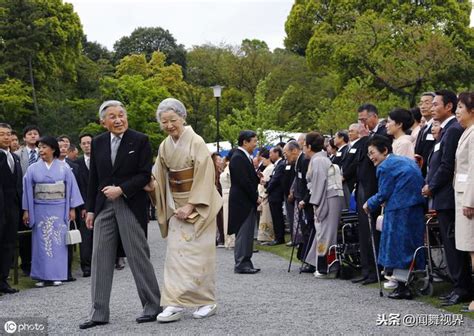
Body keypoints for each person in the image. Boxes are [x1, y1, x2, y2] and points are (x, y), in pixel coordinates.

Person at [80, 100, 162, 329]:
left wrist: (122, 189)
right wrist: (91, 209)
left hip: (130, 204)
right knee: (100, 258)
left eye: (121, 115)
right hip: (104, 206)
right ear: (103, 122)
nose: (118, 120)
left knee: (138, 256)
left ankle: (152, 306)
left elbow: (145, 175)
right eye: (112, 116)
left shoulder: (140, 140)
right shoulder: (97, 143)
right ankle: (98, 312)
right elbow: (94, 179)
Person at [153, 98, 222, 322]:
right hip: (175, 205)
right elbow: (160, 178)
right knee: (175, 256)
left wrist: (192, 205)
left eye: (173, 120)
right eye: (165, 122)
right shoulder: (164, 146)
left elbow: (205, 176)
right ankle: (173, 302)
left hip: (199, 205)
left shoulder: (197, 141)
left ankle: (206, 301)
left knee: (199, 256)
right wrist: (151, 187)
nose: (169, 125)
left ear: (183, 118)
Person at [422, 90, 471, 306]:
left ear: (448, 106)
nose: (431, 108)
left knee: (455, 245)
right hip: (446, 196)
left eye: (435, 104)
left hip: (450, 196)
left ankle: (461, 287)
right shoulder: (447, 130)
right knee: (453, 244)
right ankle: (458, 285)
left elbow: (448, 165)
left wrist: (431, 186)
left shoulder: (453, 130)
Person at [363, 135, 425, 299]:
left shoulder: (385, 166)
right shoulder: (404, 161)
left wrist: (369, 203)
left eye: (372, 152)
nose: (371, 157)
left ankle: (403, 287)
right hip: (416, 206)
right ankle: (413, 279)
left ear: (384, 150)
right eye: (369, 154)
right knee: (412, 243)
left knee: (398, 246)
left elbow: (384, 193)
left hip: (399, 208)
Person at [22, 136, 83, 288]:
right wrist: (26, 210)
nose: (41, 150)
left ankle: (58, 275)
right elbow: (27, 190)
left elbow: (71, 188)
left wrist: (72, 208)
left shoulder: (64, 168)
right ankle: (41, 276)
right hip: (39, 208)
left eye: (44, 147)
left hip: (59, 207)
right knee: (41, 243)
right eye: (39, 147)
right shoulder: (32, 168)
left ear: (53, 149)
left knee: (57, 242)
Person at [353, 103, 387, 285]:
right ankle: (366, 269)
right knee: (363, 231)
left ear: (374, 116)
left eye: (364, 119)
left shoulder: (381, 132)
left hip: (373, 186)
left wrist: (366, 139)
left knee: (373, 230)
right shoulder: (365, 138)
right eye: (359, 120)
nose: (361, 123)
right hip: (362, 185)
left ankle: (376, 270)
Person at [305, 132, 344, 278]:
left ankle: (327, 268)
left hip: (326, 198)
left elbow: (319, 184)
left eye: (304, 145)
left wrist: (317, 204)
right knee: (324, 233)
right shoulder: (320, 159)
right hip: (327, 197)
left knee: (326, 234)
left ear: (309, 146)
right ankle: (322, 265)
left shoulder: (319, 160)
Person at [228, 130, 260, 274]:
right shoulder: (238, 157)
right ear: (245, 142)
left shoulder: (243, 157)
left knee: (248, 233)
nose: (256, 144)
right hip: (242, 201)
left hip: (246, 200)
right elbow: (244, 182)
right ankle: (241, 263)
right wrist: (255, 197)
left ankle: (246, 260)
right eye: (254, 141)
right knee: (243, 232)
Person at [453, 92, 474, 312]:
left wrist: (470, 200)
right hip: (461, 194)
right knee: (469, 249)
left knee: (473, 248)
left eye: (461, 107)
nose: (458, 112)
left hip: (468, 198)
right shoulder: (466, 132)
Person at [15, 125, 41, 276]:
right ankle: (26, 264)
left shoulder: (45, 153)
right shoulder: (17, 154)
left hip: (42, 197)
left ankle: (40, 262)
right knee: (25, 232)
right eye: (29, 134)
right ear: (24, 138)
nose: (33, 136)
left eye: (35, 133)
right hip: (24, 197)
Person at [0, 123, 22, 294]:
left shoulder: (14, 157)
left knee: (8, 243)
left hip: (12, 207)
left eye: (8, 134)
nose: (6, 137)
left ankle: (3, 280)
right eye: (2, 134)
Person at [75, 133, 93, 277]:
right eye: (84, 143)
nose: (87, 145)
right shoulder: (77, 163)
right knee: (85, 237)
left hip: (101, 203)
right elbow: (78, 187)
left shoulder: (101, 161)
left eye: (89, 142)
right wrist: (83, 206)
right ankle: (86, 266)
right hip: (84, 205)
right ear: (80, 146)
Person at [265, 146, 286, 246]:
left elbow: (276, 179)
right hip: (273, 194)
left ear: (277, 153)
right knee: (275, 216)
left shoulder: (281, 164)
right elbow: (273, 178)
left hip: (276, 194)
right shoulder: (277, 165)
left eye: (271, 153)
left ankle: (279, 237)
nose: (270, 156)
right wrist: (266, 183)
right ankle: (278, 236)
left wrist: (267, 189)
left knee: (277, 217)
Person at [415, 92, 436, 177]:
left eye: (427, 103)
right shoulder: (423, 128)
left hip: (430, 175)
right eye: (421, 103)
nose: (423, 106)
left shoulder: (438, 127)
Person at [257, 148, 275, 243]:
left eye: (263, 159)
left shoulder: (270, 168)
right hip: (263, 194)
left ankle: (268, 236)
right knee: (264, 216)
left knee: (267, 217)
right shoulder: (267, 168)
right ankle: (264, 236)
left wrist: (263, 195)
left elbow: (267, 183)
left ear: (267, 159)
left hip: (265, 195)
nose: (262, 162)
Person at [220, 149, 236, 249]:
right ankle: (231, 240)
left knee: (228, 218)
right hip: (228, 193)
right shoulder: (231, 167)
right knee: (229, 218)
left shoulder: (227, 167)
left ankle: (229, 240)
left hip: (226, 193)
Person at [211, 152, 225, 247]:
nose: (220, 162)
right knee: (217, 218)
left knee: (221, 218)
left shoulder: (220, 172)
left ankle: (221, 237)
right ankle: (218, 238)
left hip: (221, 196)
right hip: (215, 198)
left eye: (221, 160)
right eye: (218, 160)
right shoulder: (212, 173)